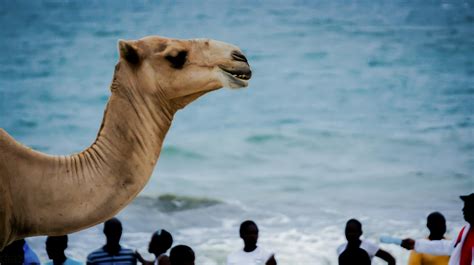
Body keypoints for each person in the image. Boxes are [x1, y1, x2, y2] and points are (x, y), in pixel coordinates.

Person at [401, 193, 474, 265]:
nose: (463, 209)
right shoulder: (466, 230)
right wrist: (416, 244)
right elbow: (448, 247)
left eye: (467, 206)